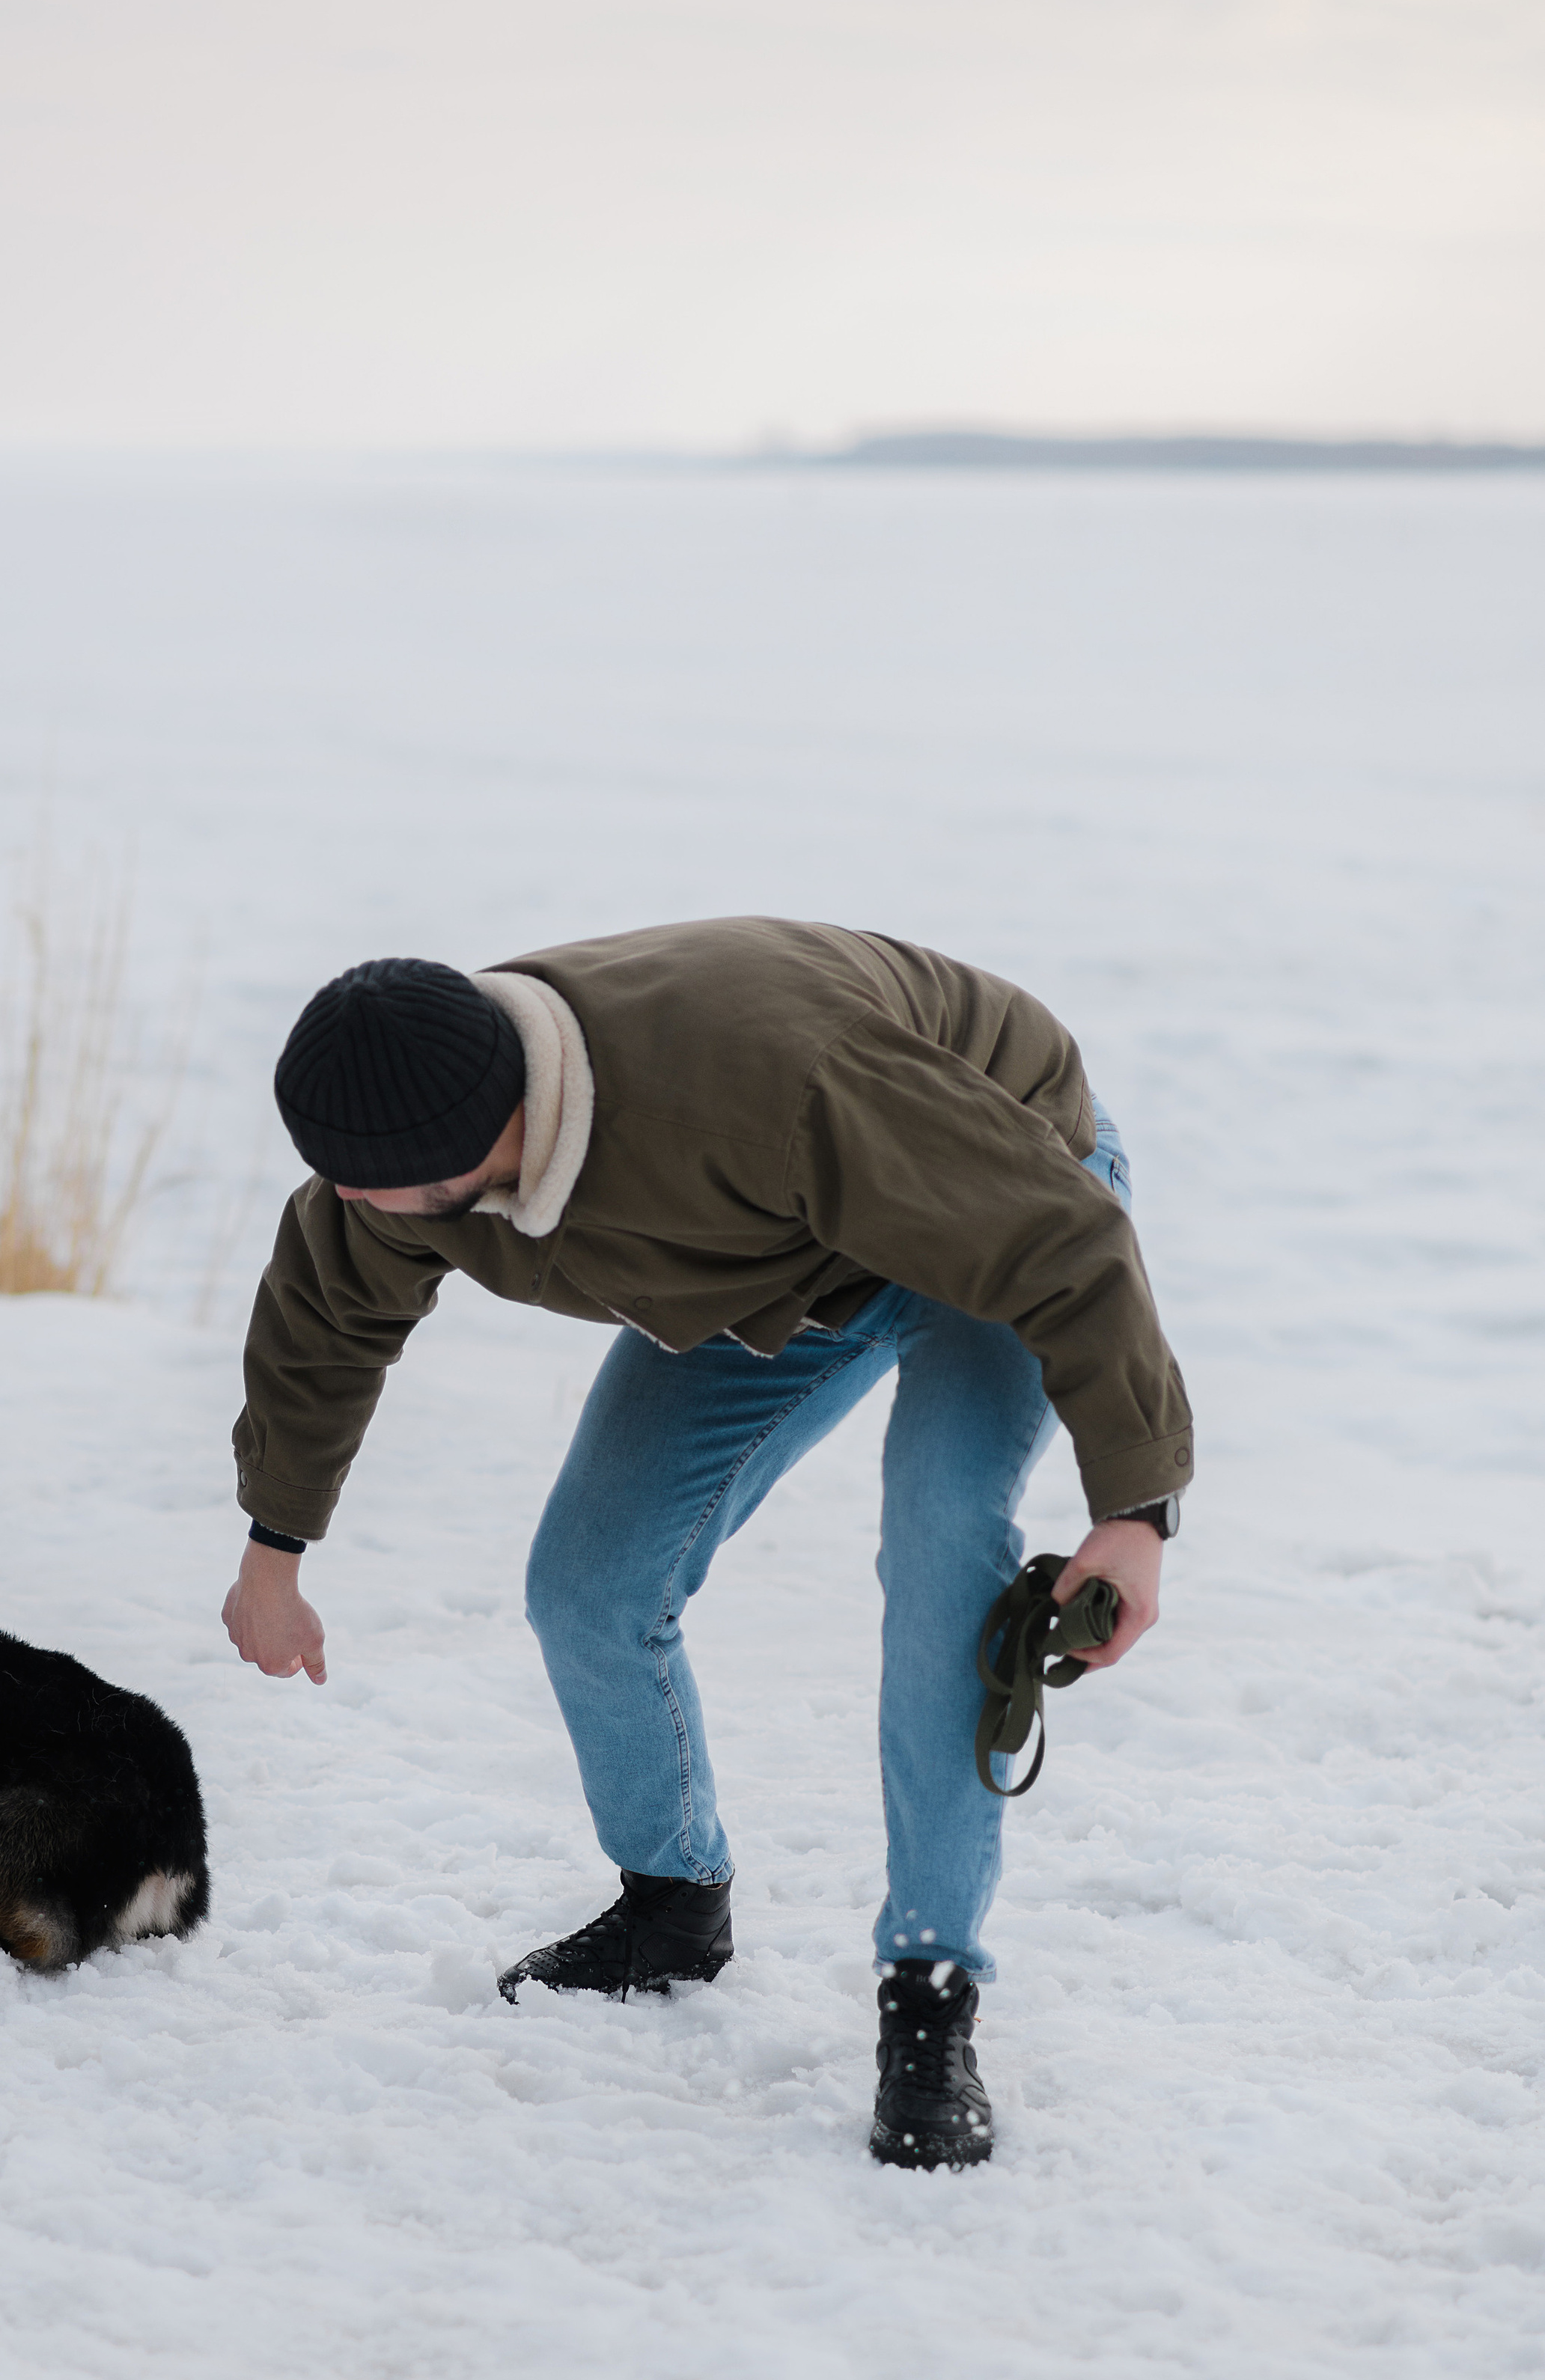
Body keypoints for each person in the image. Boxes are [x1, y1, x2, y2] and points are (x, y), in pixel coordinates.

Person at [223, 918, 1192, 2168]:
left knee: (942, 1559)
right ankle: (672, 1909)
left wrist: (1135, 1509)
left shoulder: (773, 1083)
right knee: (587, 1584)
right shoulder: (403, 1159)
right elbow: (323, 1316)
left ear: (489, 1132)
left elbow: (1060, 1244)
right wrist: (275, 1548)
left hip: (1006, 1196)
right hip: (784, 1261)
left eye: (372, 1184)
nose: (351, 1202)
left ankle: (930, 1996)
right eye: (338, 1178)